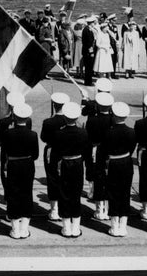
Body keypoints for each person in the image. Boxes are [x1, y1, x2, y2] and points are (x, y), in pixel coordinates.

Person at [50, 101, 90, 238]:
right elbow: (86, 152)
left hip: (64, 164)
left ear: (65, 118)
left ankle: (66, 228)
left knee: (64, 195)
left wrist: (53, 170)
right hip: (78, 163)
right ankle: (76, 228)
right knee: (76, 194)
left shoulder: (58, 134)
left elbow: (54, 155)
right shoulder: (83, 132)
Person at [1, 103, 39, 239]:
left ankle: (15, 229)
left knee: (13, 194)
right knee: (26, 194)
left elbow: (4, 152)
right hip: (27, 165)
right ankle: (24, 229)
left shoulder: (7, 134)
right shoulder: (33, 135)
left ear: (15, 117)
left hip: (13, 164)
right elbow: (35, 155)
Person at [100, 101, 136, 237]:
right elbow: (131, 148)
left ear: (113, 115)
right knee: (125, 193)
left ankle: (114, 226)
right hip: (126, 162)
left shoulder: (108, 132)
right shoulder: (131, 132)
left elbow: (103, 151)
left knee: (113, 194)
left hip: (113, 164)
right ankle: (123, 225)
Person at [41, 91, 70, 221]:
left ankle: (54, 210)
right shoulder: (68, 120)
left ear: (54, 105)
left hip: (52, 152)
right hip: (66, 153)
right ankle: (64, 208)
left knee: (52, 179)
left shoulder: (48, 122)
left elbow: (43, 138)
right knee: (65, 180)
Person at [86, 92, 114, 220]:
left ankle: (99, 209)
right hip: (110, 152)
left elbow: (88, 137)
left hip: (96, 150)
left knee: (98, 179)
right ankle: (107, 209)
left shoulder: (92, 120)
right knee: (109, 180)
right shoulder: (113, 120)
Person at [80, 16, 97, 86]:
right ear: (91, 23)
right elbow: (89, 43)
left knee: (88, 67)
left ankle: (88, 81)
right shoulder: (87, 30)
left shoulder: (87, 29)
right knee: (88, 67)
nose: (94, 24)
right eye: (93, 22)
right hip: (88, 51)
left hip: (86, 50)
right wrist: (91, 52)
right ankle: (88, 82)